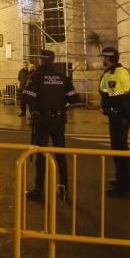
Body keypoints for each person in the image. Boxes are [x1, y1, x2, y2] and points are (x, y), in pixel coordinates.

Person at [21, 49, 81, 203]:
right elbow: (75, 99)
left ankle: (39, 189)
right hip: (59, 120)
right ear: (53, 60)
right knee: (60, 154)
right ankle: (64, 188)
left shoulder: (37, 77)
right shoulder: (62, 77)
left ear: (41, 60)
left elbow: (26, 96)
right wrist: (63, 106)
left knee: (41, 154)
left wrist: (36, 106)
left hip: (42, 121)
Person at [98, 46, 130, 198]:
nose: (102, 60)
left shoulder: (111, 75)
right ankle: (120, 179)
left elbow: (113, 97)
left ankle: (123, 186)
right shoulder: (127, 72)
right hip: (126, 115)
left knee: (119, 150)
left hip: (118, 116)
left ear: (108, 58)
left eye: (103, 57)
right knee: (121, 148)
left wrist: (107, 109)